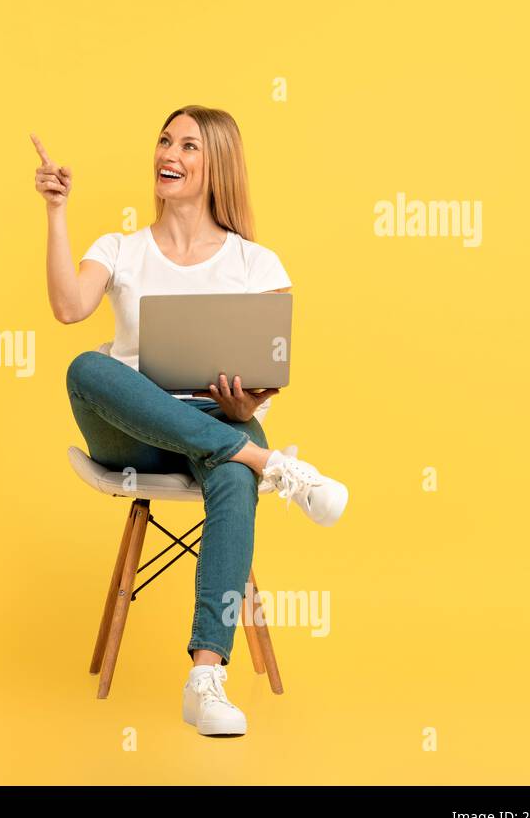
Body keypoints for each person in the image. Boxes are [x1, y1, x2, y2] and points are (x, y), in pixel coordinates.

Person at [33, 105, 348, 738]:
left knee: (228, 474)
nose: (168, 154)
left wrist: (244, 409)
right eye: (164, 141)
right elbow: (70, 308)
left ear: (218, 165)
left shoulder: (257, 264)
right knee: (84, 369)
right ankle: (275, 468)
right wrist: (57, 213)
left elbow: (266, 376)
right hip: (132, 435)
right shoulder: (118, 248)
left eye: (188, 146)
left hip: (216, 421)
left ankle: (206, 679)